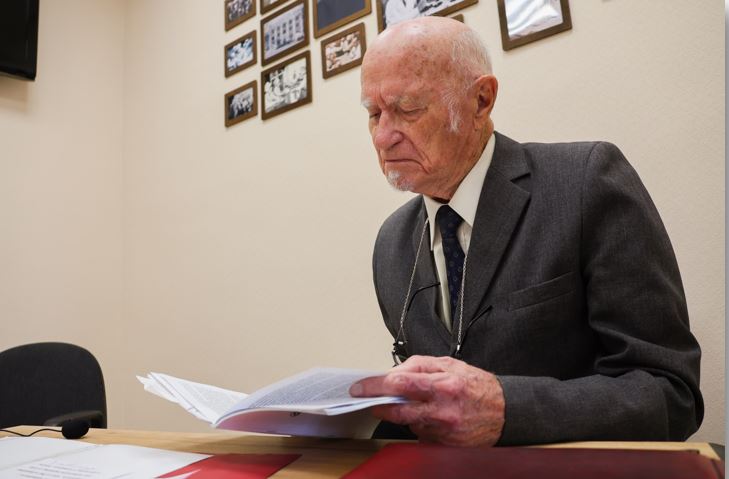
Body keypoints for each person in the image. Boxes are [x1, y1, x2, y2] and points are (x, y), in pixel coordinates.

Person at [349, 16, 703, 447]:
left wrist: (508, 409)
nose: (383, 137)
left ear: (481, 100)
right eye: (373, 114)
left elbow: (671, 393)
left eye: (408, 109)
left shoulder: (585, 183)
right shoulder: (390, 243)